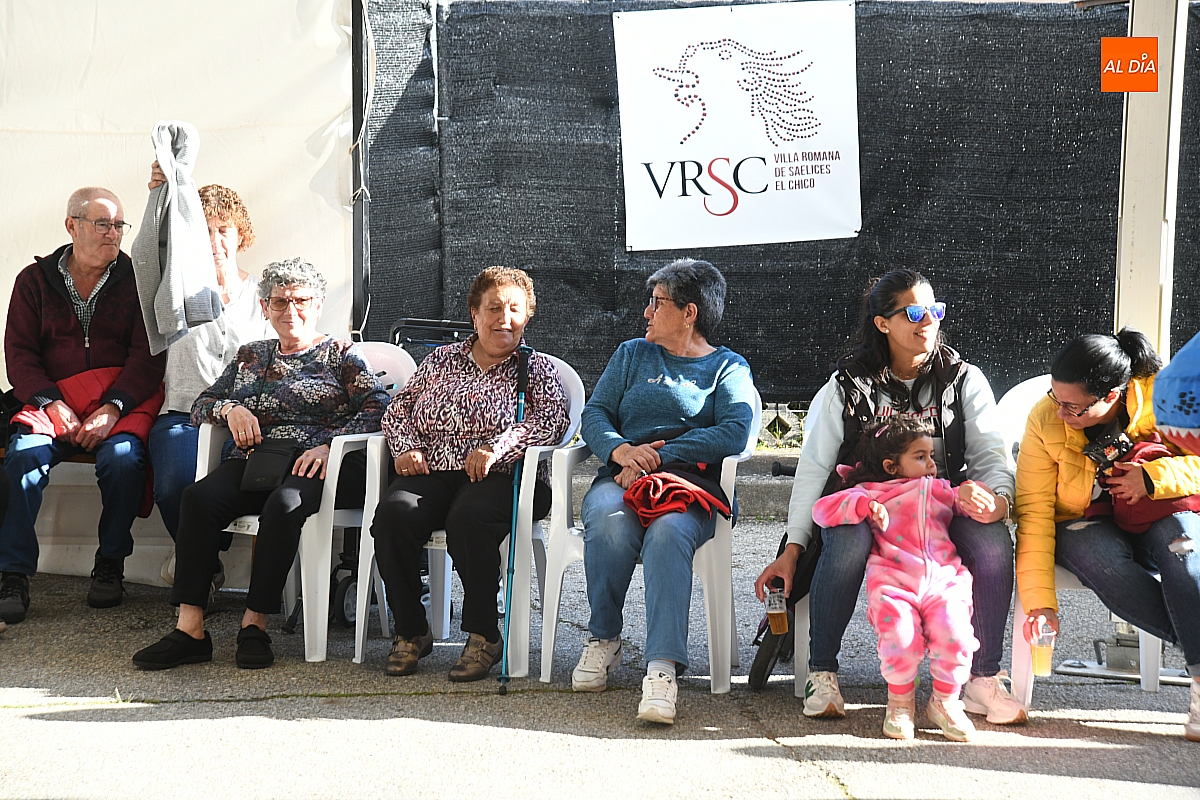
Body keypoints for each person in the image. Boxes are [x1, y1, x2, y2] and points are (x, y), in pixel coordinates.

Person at [754, 269, 1023, 725]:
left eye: (935, 310)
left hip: (941, 504)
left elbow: (992, 457)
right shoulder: (847, 385)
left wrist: (998, 501)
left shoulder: (963, 379)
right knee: (847, 539)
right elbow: (814, 470)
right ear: (883, 323)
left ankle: (982, 678)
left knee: (993, 542)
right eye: (914, 313)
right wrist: (793, 548)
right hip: (868, 505)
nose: (928, 321)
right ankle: (822, 673)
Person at [131, 257, 388, 670]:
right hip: (256, 461)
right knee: (197, 498)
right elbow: (201, 404)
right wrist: (230, 409)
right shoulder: (251, 355)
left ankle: (255, 624)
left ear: (318, 304)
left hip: (314, 465)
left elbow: (379, 406)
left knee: (283, 505)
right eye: (280, 301)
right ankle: (190, 629)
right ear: (265, 308)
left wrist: (329, 446)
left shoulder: (341, 354)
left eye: (301, 300)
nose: (291, 310)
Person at [570, 258, 755, 726]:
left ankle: (661, 669)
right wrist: (622, 452)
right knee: (609, 522)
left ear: (689, 313)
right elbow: (595, 414)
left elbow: (734, 431)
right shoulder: (631, 354)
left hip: (690, 487)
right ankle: (604, 638)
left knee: (668, 534)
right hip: (623, 476)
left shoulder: (727, 367)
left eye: (657, 303)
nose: (646, 313)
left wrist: (659, 456)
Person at [369, 267, 569, 682]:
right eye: (493, 308)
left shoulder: (534, 368)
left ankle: (484, 634)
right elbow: (398, 409)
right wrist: (405, 446)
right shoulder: (441, 360)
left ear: (528, 316)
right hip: (435, 467)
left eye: (515, 309)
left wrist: (498, 447)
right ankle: (411, 629)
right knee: (393, 515)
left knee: (469, 519)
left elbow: (551, 421)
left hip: (504, 475)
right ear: (474, 314)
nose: (504, 319)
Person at [1015, 328, 1200, 743]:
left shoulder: (1166, 397)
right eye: (1055, 398)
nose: (1060, 413)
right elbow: (1034, 513)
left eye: (1073, 407)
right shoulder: (1044, 419)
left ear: (1113, 395)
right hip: (1082, 522)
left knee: (1186, 553)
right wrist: (1040, 602)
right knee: (1102, 561)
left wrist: (1153, 478)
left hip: (1161, 508)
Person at [0, 187, 166, 622]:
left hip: (119, 402)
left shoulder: (139, 280)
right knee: (23, 456)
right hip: (54, 403)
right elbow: (20, 357)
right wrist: (52, 404)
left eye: (118, 225)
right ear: (71, 226)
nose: (114, 233)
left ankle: (110, 562)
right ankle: (13, 573)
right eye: (102, 223)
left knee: (124, 460)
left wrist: (113, 407)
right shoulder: (33, 282)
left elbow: (148, 357)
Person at [144, 164, 274, 583]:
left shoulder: (264, 296)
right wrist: (161, 196)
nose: (215, 241)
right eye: (204, 230)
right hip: (184, 414)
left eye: (223, 230)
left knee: (238, 487)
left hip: (246, 422)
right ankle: (204, 562)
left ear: (241, 235)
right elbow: (149, 252)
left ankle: (195, 563)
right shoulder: (176, 290)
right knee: (173, 486)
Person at [812, 418, 980, 742]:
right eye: (920, 457)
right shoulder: (871, 492)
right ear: (891, 466)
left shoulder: (940, 490)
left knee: (956, 635)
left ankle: (945, 701)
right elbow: (822, 510)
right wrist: (863, 505)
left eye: (932, 456)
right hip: (893, 583)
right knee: (900, 640)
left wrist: (971, 493)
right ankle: (900, 703)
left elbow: (964, 502)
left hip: (944, 580)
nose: (931, 465)